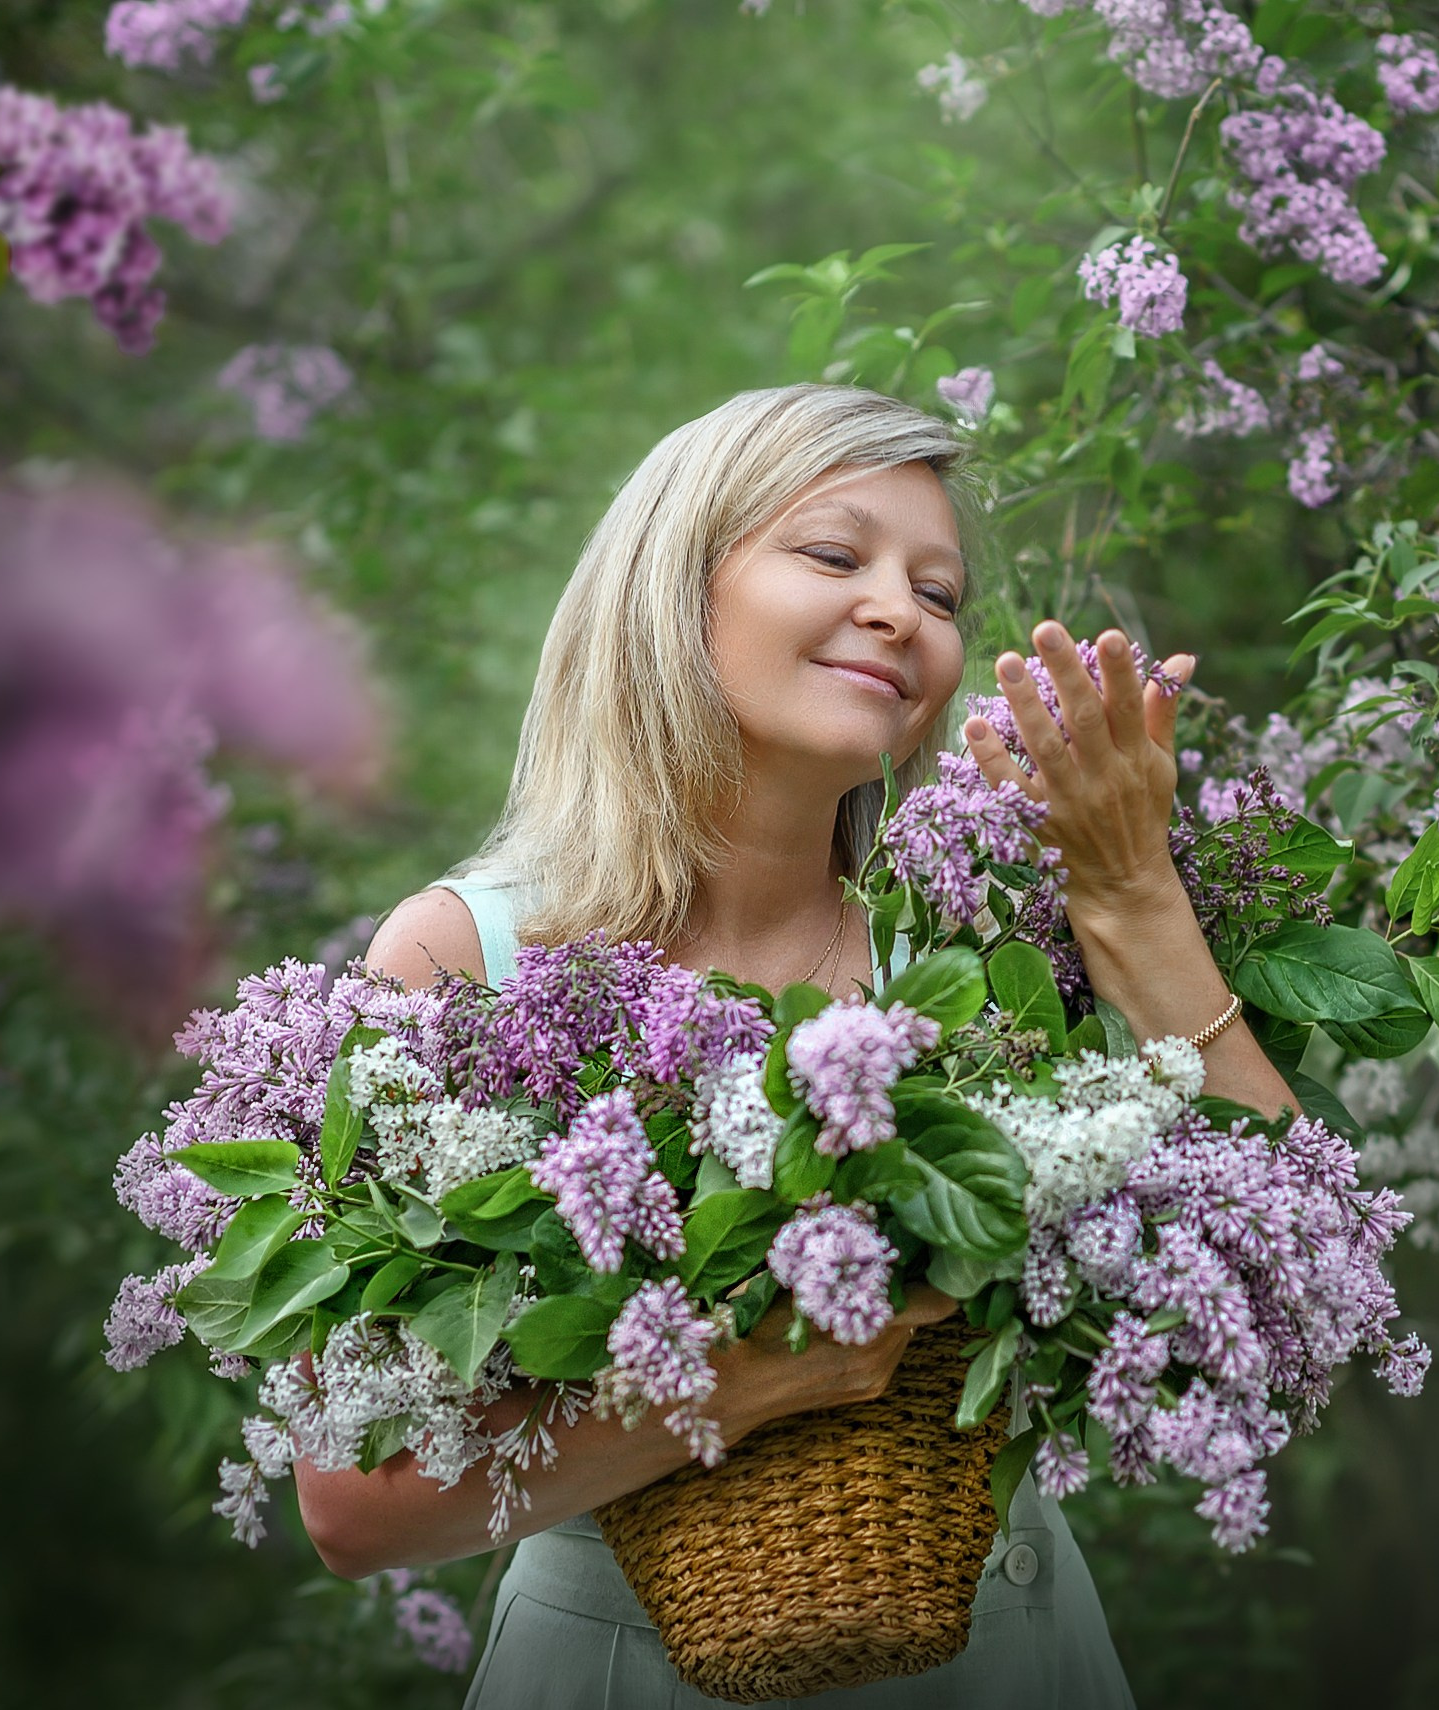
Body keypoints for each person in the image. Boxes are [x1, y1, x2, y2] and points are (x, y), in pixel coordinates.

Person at [292, 383, 1298, 1706]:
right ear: (673, 585)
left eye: (937, 594)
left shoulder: (967, 944)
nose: (899, 611)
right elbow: (359, 1503)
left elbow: (1286, 1287)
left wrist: (1128, 895)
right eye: (834, 555)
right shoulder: (463, 957)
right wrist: (753, 1377)